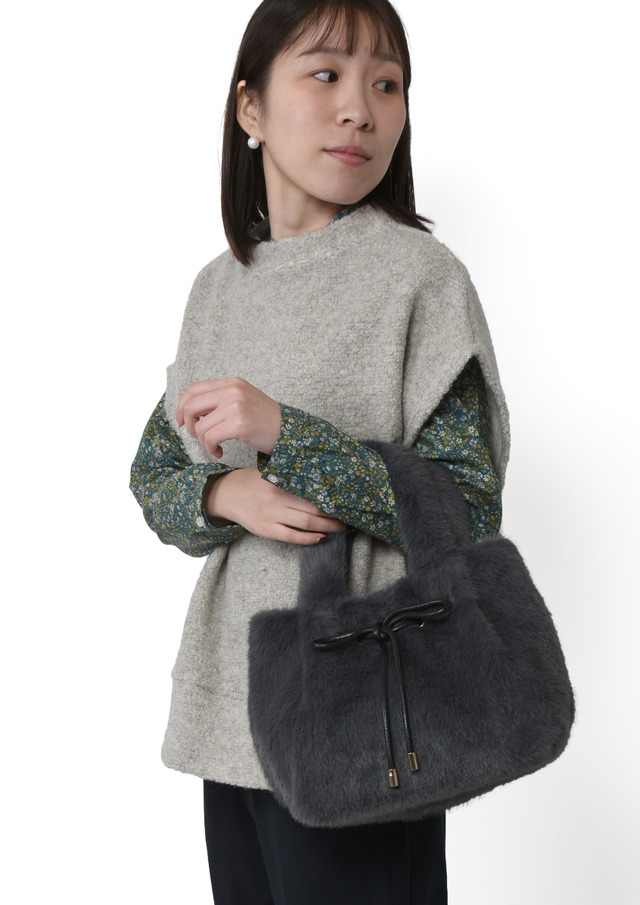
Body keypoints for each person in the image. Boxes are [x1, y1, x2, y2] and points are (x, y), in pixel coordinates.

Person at [130, 1, 511, 902]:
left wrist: (285, 434)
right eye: (327, 74)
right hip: (233, 713)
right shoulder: (218, 288)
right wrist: (226, 495)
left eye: (387, 84)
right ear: (250, 108)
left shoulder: (420, 279)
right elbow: (154, 473)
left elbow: (464, 510)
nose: (359, 109)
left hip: (367, 710)